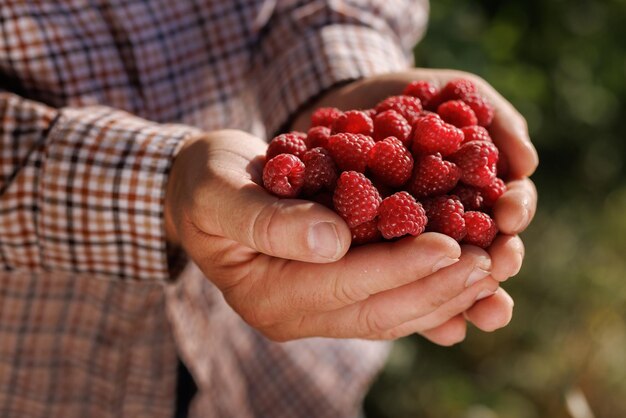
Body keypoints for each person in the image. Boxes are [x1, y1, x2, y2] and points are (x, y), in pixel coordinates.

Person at [0, 1, 538, 417]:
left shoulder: (374, 176)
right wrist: (163, 182)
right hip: (43, 366)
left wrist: (336, 78)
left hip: (284, 374)